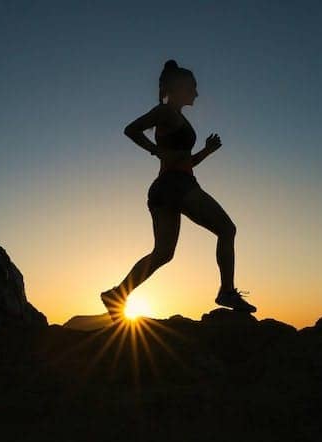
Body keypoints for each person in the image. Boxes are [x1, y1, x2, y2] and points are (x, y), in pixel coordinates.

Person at [100, 59, 256, 322]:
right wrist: (155, 149)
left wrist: (205, 151)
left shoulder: (175, 116)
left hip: (165, 188)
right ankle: (227, 292)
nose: (196, 93)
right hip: (177, 185)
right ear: (180, 87)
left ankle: (117, 294)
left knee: (163, 253)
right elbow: (131, 129)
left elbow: (184, 162)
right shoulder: (166, 112)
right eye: (193, 87)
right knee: (227, 229)